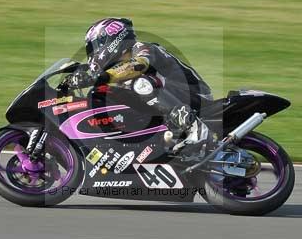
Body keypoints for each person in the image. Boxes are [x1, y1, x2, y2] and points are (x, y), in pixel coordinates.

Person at [61, 17, 213, 153]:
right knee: (101, 92)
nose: (92, 54)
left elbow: (139, 65)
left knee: (140, 83)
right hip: (169, 107)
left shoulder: (141, 48)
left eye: (94, 47)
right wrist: (75, 78)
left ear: (110, 40)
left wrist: (97, 77)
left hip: (195, 97)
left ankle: (195, 128)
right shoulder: (116, 70)